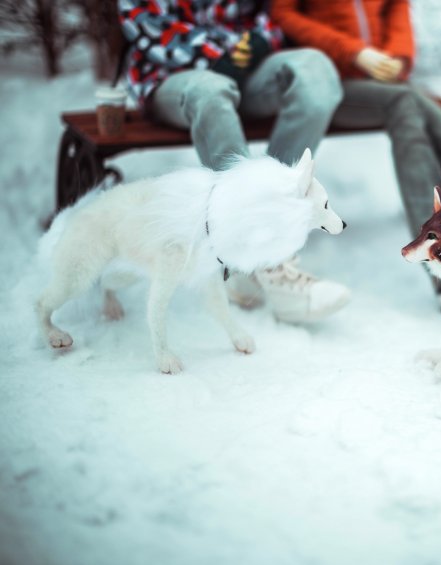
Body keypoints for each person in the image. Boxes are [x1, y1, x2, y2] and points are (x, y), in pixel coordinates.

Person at [117, 0, 350, 323]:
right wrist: (214, 58)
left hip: (248, 72)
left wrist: (260, 40)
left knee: (314, 68)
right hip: (173, 76)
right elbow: (142, 21)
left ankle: (268, 224)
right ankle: (265, 263)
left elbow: (275, 15)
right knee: (210, 90)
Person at [269, 0, 441, 323]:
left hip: (386, 82)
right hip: (330, 84)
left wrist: (397, 58)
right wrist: (354, 53)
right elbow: (283, 15)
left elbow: (398, 10)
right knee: (425, 118)